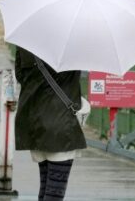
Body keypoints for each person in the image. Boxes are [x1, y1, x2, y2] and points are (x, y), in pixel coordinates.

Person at [14, 46, 87, 201]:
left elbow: (20, 76)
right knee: (54, 193)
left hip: (34, 123)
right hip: (60, 127)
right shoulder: (71, 45)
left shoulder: (26, 43)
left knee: (46, 188)